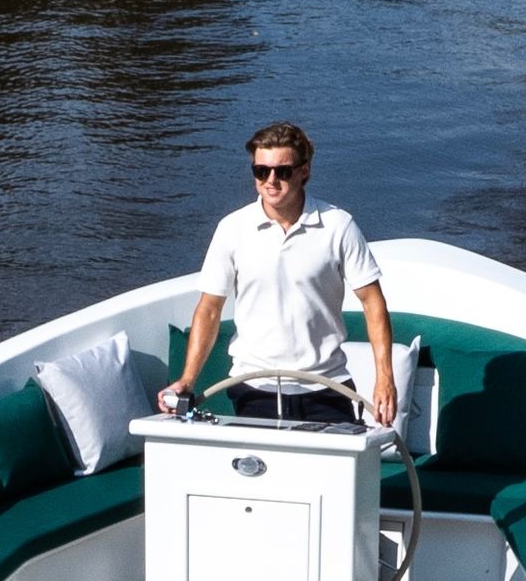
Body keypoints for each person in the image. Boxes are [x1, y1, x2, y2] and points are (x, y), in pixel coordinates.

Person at [161, 122, 398, 431]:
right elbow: (209, 308)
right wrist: (188, 380)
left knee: (329, 480)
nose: (270, 181)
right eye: (261, 171)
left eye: (282, 172)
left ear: (305, 171)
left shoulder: (339, 226)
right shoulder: (233, 228)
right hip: (253, 388)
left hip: (326, 387)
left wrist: (385, 379)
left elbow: (373, 304)